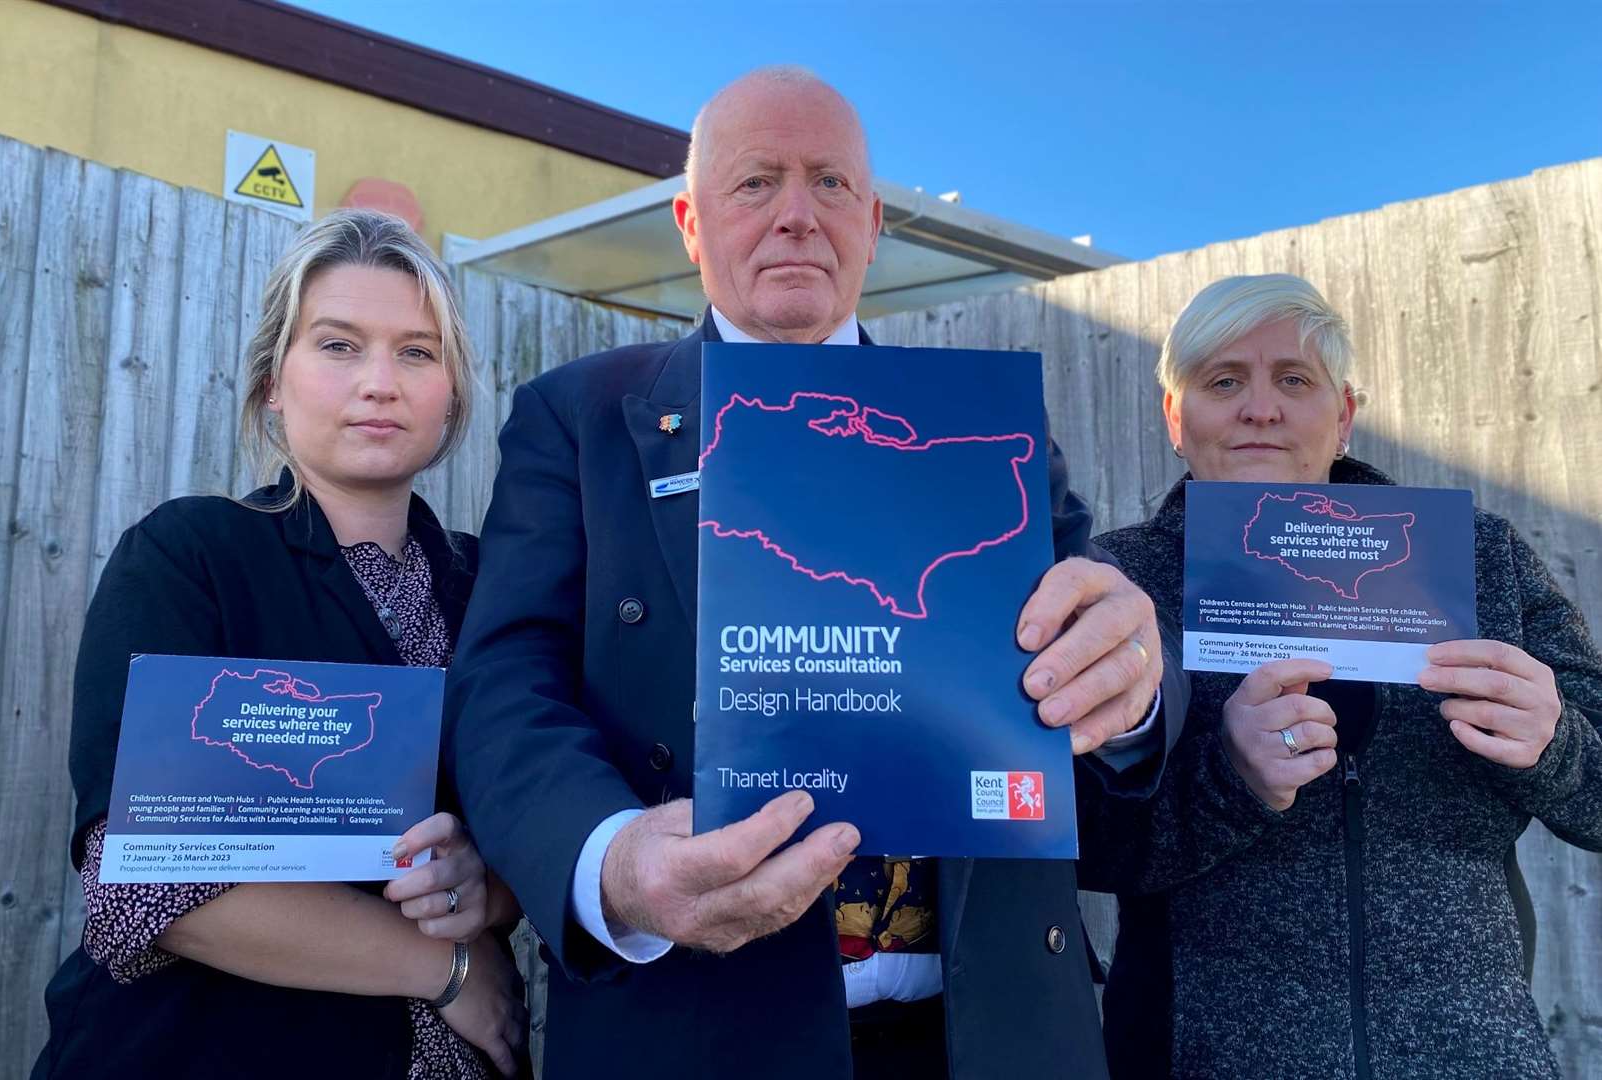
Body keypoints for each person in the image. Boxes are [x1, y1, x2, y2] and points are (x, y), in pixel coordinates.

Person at [446, 66, 1187, 1079]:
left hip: (1001, 1037)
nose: (798, 215)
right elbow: (504, 686)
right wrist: (610, 862)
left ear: (873, 222)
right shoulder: (578, 422)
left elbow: (1097, 660)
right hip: (699, 1032)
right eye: (757, 183)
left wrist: (1136, 681)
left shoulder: (985, 431)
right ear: (690, 221)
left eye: (830, 183)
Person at [33, 210, 527, 1079]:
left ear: (451, 391)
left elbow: (543, 812)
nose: (380, 382)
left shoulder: (498, 588)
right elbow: (145, 883)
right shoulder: (192, 557)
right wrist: (444, 968)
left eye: (417, 352)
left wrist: (488, 890)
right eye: (339, 345)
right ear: (272, 379)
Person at [1093, 273, 1602, 1078]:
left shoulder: (1479, 557)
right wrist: (1229, 781)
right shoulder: (1117, 581)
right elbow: (1082, 846)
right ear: (1176, 419)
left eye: (1295, 380)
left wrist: (1556, 743)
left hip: (1472, 1054)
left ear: (1344, 417)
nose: (1262, 408)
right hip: (1201, 1057)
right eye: (1224, 381)